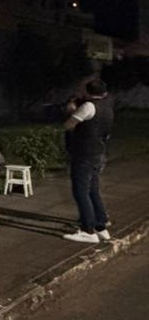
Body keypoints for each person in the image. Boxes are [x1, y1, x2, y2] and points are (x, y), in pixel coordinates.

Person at [62, 79, 114, 243]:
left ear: (87, 92)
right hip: (98, 151)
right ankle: (101, 226)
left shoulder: (88, 106)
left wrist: (71, 111)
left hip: (84, 153)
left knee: (80, 191)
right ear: (104, 92)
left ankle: (87, 230)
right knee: (93, 189)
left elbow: (69, 125)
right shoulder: (107, 106)